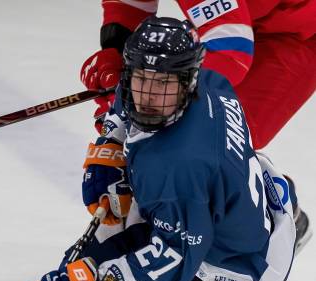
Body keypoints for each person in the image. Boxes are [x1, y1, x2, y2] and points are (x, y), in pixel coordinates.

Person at [10, 17, 296, 281]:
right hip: (204, 212)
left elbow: (172, 266)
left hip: (238, 270)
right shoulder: (208, 81)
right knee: (77, 267)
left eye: (163, 84)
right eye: (141, 78)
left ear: (187, 82)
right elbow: (126, 108)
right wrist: (108, 150)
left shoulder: (180, 163)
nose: (149, 95)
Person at [80, 0, 315, 249]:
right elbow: (132, 5)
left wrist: (132, 104)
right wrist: (118, 55)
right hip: (239, 19)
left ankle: (276, 210)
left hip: (296, 33)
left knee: (216, 136)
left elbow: (231, 49)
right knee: (167, 122)